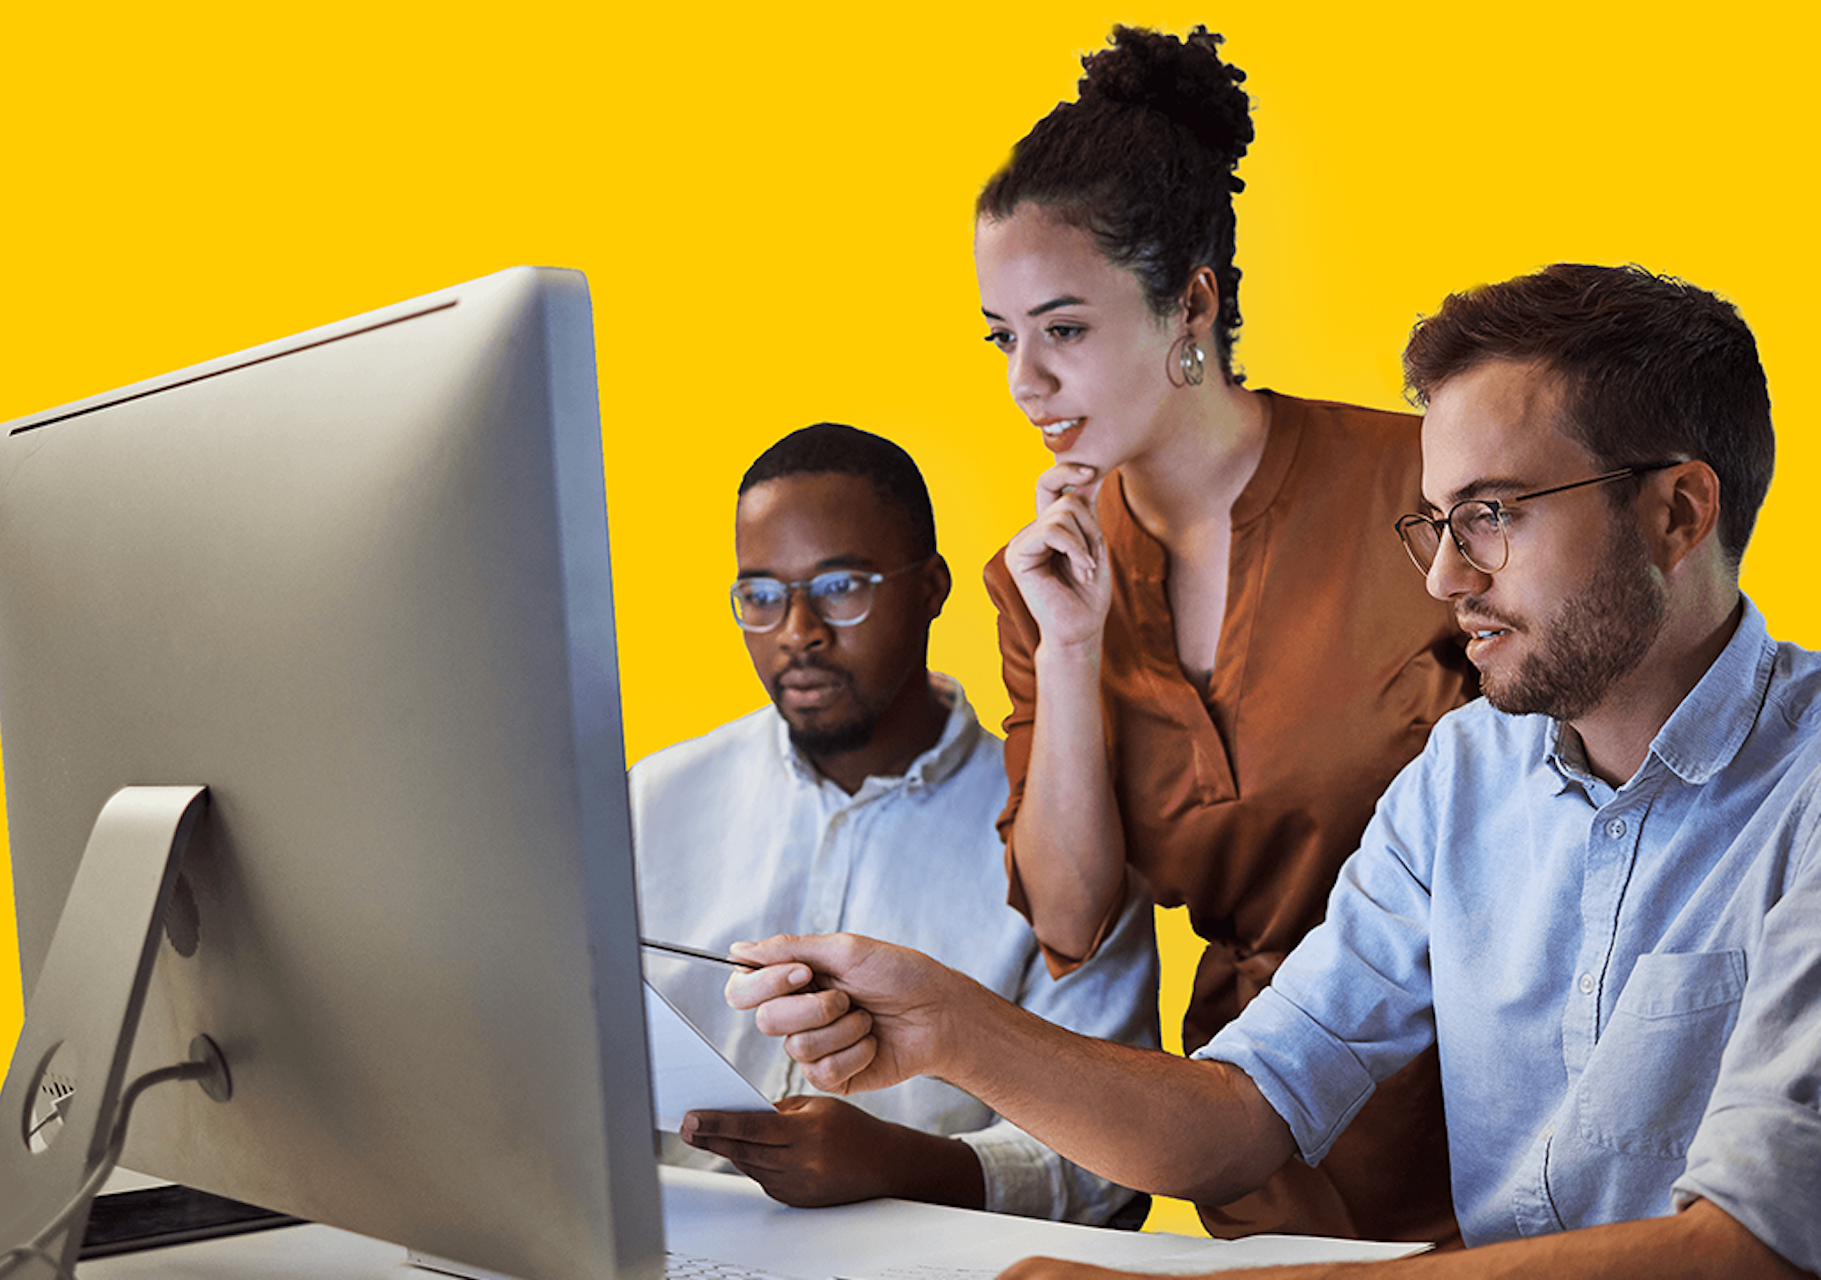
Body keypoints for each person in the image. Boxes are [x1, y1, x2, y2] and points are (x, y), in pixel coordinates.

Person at [727, 265, 1819, 1278]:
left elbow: (1746, 1248)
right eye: (1437, 521)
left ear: (1679, 511)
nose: (1445, 574)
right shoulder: (1465, 775)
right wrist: (951, 1025)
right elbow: (1248, 1106)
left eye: (1491, 514)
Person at [975, 25, 1469, 1244]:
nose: (1024, 381)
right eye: (1002, 336)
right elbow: (1072, 917)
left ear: (1191, 299)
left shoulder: (1425, 482)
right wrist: (1077, 644)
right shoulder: (1040, 581)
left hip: (1492, 1113)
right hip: (1248, 1141)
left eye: (1065, 328)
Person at [630, 422, 1159, 1225]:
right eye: (761, 597)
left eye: (841, 586)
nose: (797, 631)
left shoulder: (1060, 834)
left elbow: (1115, 1159)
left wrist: (903, 1165)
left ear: (931, 587)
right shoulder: (654, 800)